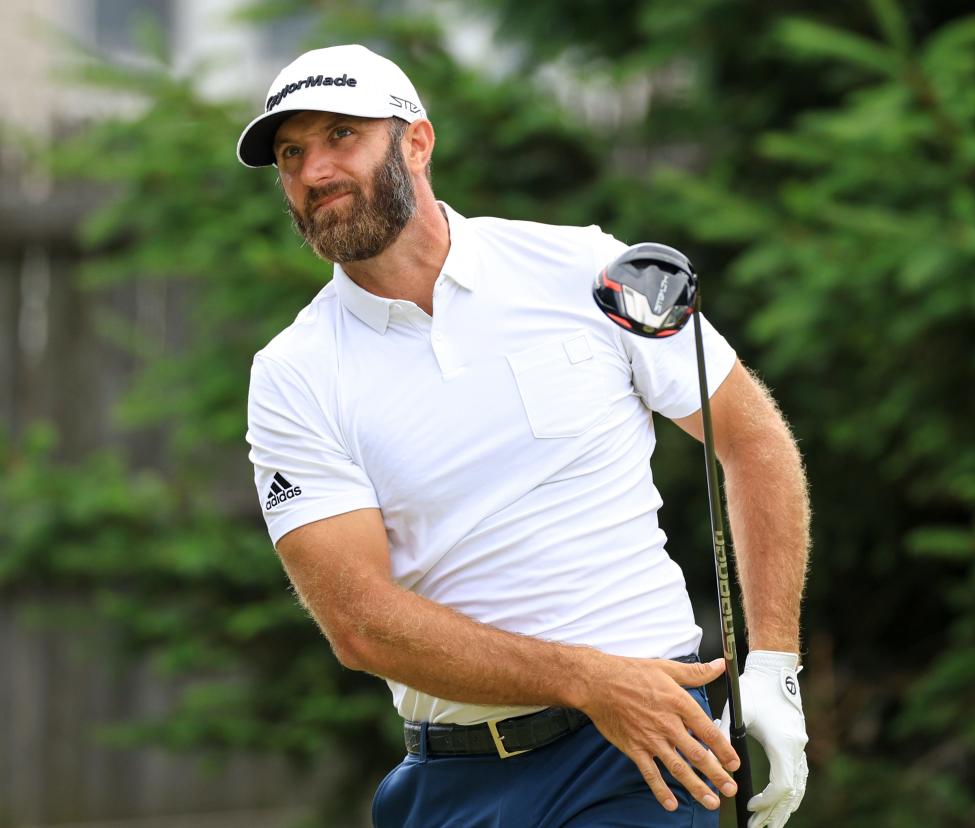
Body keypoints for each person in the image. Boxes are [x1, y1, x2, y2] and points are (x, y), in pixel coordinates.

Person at [238, 44, 810, 828]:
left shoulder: (584, 267)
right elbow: (360, 622)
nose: (314, 171)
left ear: (417, 141)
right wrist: (585, 679)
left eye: (342, 135)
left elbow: (750, 438)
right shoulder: (292, 375)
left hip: (644, 756)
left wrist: (774, 666)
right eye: (291, 153)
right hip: (451, 781)